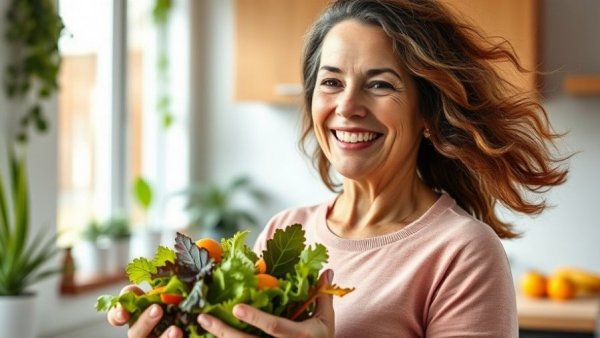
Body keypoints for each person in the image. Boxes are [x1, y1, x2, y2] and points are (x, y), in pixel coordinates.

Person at [108, 0, 568, 337]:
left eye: (380, 84)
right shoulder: (286, 232)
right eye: (331, 82)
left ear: (427, 115)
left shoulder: (462, 254)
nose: (348, 106)